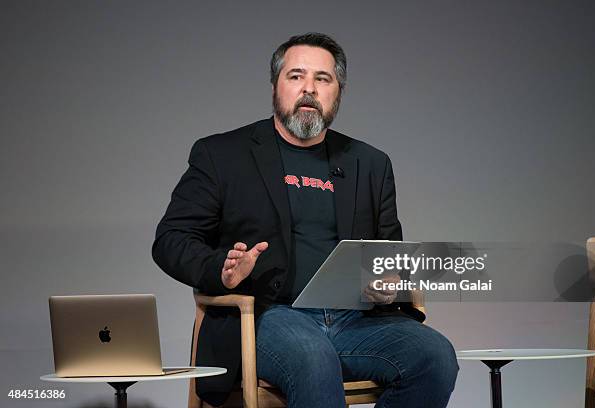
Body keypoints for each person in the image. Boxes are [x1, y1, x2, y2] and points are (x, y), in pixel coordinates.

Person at [152, 32, 458, 408]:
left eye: (323, 79)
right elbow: (171, 239)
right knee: (313, 358)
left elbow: (389, 255)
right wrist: (222, 269)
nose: (309, 89)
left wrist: (387, 283)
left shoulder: (370, 163)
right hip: (267, 317)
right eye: (296, 76)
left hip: (354, 322)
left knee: (435, 356)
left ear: (338, 92)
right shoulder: (222, 155)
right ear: (276, 87)